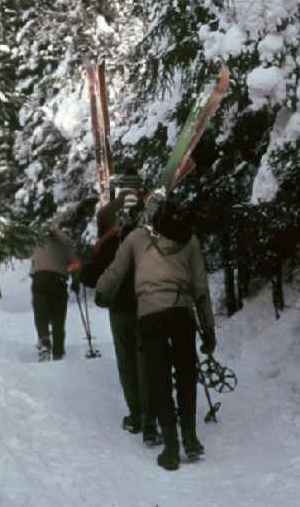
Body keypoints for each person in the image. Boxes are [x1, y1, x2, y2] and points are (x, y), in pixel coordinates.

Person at [95, 194, 216, 471]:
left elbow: (115, 272)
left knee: (159, 378)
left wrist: (102, 293)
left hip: (150, 315)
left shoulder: (136, 238)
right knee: (186, 374)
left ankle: (171, 449)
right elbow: (201, 287)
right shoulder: (189, 238)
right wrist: (208, 328)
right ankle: (191, 438)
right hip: (182, 314)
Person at [79, 169, 161, 447]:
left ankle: (137, 416)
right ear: (140, 189)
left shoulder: (106, 217)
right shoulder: (154, 217)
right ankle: (155, 418)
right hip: (152, 303)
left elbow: (93, 273)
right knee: (151, 360)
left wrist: (87, 268)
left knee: (128, 364)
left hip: (121, 305)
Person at [29, 213, 78, 361]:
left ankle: (44, 342)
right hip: (58, 280)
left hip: (39, 279)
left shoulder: (38, 240)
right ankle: (58, 351)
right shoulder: (66, 243)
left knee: (40, 313)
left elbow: (30, 255)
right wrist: (75, 280)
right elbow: (75, 264)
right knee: (58, 318)